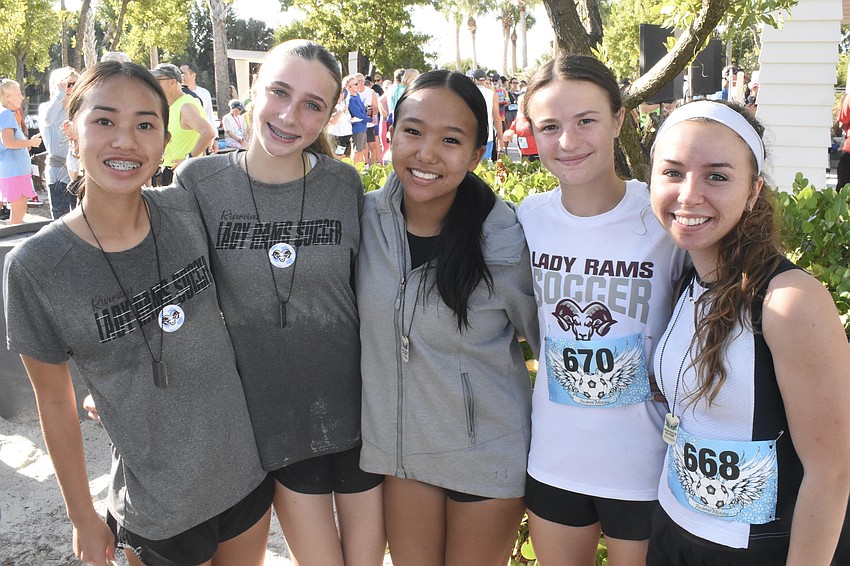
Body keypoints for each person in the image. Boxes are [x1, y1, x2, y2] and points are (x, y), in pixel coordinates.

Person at [3, 61, 271, 566]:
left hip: (244, 476)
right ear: (70, 134)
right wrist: (82, 516)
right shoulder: (35, 268)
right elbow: (55, 403)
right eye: (104, 121)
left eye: (145, 125)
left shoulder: (189, 209)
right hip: (157, 507)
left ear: (163, 139)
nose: (125, 141)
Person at [174, 40, 386, 566]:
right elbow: (166, 280)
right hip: (273, 419)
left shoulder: (343, 183)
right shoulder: (198, 182)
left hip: (360, 411)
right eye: (279, 92)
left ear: (331, 115)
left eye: (313, 104)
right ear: (252, 91)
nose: (290, 115)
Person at [647, 99, 850, 565]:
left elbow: (832, 471)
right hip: (674, 531)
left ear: (754, 190)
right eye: (672, 173)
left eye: (717, 175)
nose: (689, 194)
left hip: (757, 551)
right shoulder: (684, 276)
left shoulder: (789, 301)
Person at [356, 69, 540, 566]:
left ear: (478, 153)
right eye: (412, 131)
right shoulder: (362, 220)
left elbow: (550, 344)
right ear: (388, 133)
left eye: (451, 140)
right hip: (403, 453)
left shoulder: (502, 236)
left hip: (488, 453)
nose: (426, 154)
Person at [518, 54, 686, 566]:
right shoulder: (528, 219)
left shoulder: (664, 215)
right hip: (555, 460)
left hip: (644, 466)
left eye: (586, 121)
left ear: (619, 118)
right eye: (550, 127)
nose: (568, 142)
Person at [150, 63, 216, 186]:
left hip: (185, 175)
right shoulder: (172, 105)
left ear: (172, 82)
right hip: (173, 171)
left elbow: (208, 133)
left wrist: (188, 160)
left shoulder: (186, 106)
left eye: (158, 81)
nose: (154, 86)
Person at [38, 67, 79, 219]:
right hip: (56, 169)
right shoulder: (46, 108)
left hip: (77, 170)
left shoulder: (78, 108)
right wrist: (60, 93)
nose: (72, 88)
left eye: (75, 84)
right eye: (68, 84)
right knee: (59, 218)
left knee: (79, 217)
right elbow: (48, 120)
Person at [0, 79, 41, 225]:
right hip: (14, 170)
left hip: (12, 169)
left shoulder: (5, 114)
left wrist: (27, 144)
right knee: (18, 213)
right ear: (8, 97)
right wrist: (31, 142)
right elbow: (8, 142)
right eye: (18, 94)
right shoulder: (5, 114)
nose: (22, 97)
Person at [471, 68, 504, 161]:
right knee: (484, 168)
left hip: (470, 135)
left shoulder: (467, 93)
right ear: (485, 79)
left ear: (474, 79)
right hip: (487, 135)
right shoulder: (491, 94)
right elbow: (497, 118)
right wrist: (500, 138)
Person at [502, 94, 538, 161]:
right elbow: (512, 129)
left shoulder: (536, 118)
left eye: (524, 103)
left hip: (537, 154)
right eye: (520, 103)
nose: (521, 105)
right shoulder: (519, 118)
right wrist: (508, 133)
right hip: (524, 154)